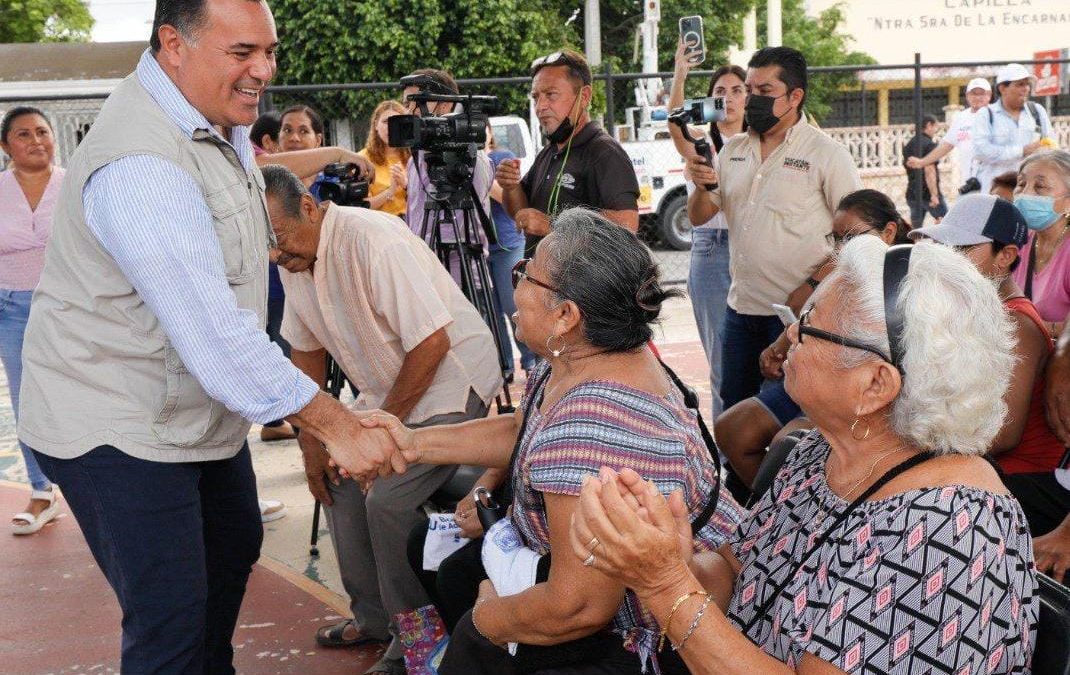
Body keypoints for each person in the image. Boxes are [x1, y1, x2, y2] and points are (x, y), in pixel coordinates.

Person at [17, 2, 398, 671]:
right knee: (171, 616)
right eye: (243, 52)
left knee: (231, 544)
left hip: (183, 409)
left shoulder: (205, 120)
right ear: (173, 44)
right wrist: (337, 424)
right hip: (117, 423)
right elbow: (216, 337)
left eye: (270, 52)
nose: (264, 70)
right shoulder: (142, 164)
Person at [571, 235, 1037, 673]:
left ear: (875, 384)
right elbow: (735, 570)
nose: (790, 335)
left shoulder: (945, 530)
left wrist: (664, 584)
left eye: (810, 325)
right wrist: (676, 560)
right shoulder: (820, 452)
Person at [361, 209, 745, 674]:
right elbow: (523, 429)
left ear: (565, 315)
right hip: (579, 574)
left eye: (527, 272)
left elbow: (580, 607)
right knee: (435, 551)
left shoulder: (593, 429)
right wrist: (412, 444)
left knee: (470, 631)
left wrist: (488, 620)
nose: (515, 281)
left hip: (639, 634)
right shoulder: (580, 357)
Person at [261, 164, 501, 672]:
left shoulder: (372, 238)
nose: (275, 254)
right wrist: (315, 445)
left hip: (451, 385)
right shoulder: (293, 258)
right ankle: (372, 617)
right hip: (387, 394)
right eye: (267, 245)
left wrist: (373, 437)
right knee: (334, 479)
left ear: (308, 206)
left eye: (279, 238)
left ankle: (415, 636)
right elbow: (304, 354)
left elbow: (431, 343)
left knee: (388, 500)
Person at [686, 46, 862, 412]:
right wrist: (702, 185)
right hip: (741, 311)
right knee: (733, 409)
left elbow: (859, 236)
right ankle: (736, 473)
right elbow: (699, 216)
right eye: (749, 90)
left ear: (795, 97)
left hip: (798, 318)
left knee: (791, 419)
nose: (751, 100)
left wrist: (811, 287)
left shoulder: (826, 154)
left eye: (764, 92)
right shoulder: (733, 150)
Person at [716, 189, 908, 492]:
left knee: (788, 448)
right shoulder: (840, 270)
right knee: (732, 428)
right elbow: (800, 307)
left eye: (854, 237)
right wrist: (780, 346)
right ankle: (773, 514)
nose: (843, 247)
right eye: (837, 238)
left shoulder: (902, 285)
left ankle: (793, 517)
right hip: (816, 377)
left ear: (889, 232)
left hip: (856, 393)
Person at [667, 41, 747, 422]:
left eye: (737, 90)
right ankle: (731, 459)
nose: (728, 99)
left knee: (763, 354)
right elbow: (674, 123)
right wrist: (681, 72)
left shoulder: (762, 144)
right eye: (719, 92)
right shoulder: (701, 145)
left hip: (754, 249)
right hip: (711, 250)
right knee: (721, 358)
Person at [496, 49, 639, 257]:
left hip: (582, 287)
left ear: (585, 96)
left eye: (551, 95)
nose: (540, 106)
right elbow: (522, 213)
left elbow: (627, 225)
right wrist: (510, 186)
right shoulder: (549, 151)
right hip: (541, 281)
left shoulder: (604, 151)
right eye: (536, 97)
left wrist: (552, 225)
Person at [1, 107, 63, 535]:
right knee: (28, 401)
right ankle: (42, 491)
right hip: (12, 308)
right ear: (6, 146)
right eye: (24, 134)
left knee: (94, 391)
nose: (36, 140)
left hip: (72, 306)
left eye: (43, 131)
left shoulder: (75, 183)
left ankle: (102, 484)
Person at [402, 68, 493, 285]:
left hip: (464, 279)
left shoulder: (472, 158)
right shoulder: (415, 157)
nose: (409, 112)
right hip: (423, 277)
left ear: (444, 104)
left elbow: (466, 217)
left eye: (416, 103)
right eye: (406, 105)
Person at [485, 128, 535, 377]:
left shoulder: (501, 157)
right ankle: (503, 366)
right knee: (489, 312)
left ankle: (530, 361)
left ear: (488, 132)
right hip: (479, 246)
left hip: (507, 244)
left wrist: (478, 167)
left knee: (511, 304)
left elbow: (502, 195)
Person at [1011, 149, 1070, 338]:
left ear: (1068, 202)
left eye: (1040, 187)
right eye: (1021, 184)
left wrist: (1036, 329)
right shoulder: (1019, 241)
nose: (1024, 193)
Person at [973, 63, 1055, 194]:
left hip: (1030, 190)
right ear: (1002, 88)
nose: (1026, 89)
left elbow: (1051, 144)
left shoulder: (1037, 112)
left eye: (1027, 84)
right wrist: (1022, 151)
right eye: (1020, 84)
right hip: (997, 190)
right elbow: (981, 151)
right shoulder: (986, 115)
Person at [906, 77, 992, 191]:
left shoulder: (997, 116)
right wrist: (922, 162)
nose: (977, 97)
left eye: (982, 93)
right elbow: (947, 145)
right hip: (970, 182)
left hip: (994, 182)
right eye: (974, 93)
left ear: (989, 95)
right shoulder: (961, 118)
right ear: (967, 96)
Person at [358, 99, 409, 217]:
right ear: (376, 124)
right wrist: (390, 191)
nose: (391, 127)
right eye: (386, 121)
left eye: (397, 122)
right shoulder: (363, 159)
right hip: (380, 224)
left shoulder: (413, 157)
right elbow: (363, 205)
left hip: (412, 224)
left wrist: (406, 185)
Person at [903, 114, 947, 227]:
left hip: (913, 192)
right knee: (945, 223)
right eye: (936, 127)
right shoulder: (929, 144)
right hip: (928, 193)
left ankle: (915, 244)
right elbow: (929, 169)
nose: (936, 130)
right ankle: (940, 245)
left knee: (916, 229)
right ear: (929, 125)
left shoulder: (909, 144)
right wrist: (934, 195)